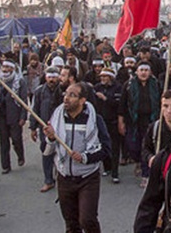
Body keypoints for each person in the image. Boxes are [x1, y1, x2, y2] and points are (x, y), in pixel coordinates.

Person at [43, 83, 109, 232]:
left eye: (72, 95)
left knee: (87, 220)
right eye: (66, 94)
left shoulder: (94, 120)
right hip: (64, 177)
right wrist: (51, 138)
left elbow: (106, 150)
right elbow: (47, 149)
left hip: (88, 178)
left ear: (82, 100)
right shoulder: (57, 119)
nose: (66, 98)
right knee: (71, 224)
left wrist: (85, 157)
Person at [119, 62, 161, 187]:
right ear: (137, 72)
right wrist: (121, 121)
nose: (143, 73)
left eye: (146, 70)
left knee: (146, 147)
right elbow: (122, 104)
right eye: (141, 70)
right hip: (133, 121)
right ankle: (137, 161)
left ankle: (146, 174)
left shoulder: (156, 85)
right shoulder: (129, 85)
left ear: (150, 72)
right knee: (133, 147)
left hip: (150, 121)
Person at [30, 65, 63, 192]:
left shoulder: (62, 91)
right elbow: (34, 110)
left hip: (60, 127)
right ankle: (48, 180)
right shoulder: (39, 91)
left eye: (54, 77)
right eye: (49, 77)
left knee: (61, 152)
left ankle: (61, 177)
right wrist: (33, 128)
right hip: (44, 128)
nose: (51, 80)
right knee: (46, 152)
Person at [0, 59, 28, 174]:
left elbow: (24, 100)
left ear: (12, 69)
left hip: (15, 115)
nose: (5, 69)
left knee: (16, 139)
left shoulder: (20, 82)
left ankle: (20, 155)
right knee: (4, 142)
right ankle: (6, 166)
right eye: (3, 67)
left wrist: (23, 117)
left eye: (7, 67)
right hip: (2, 115)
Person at [93, 68, 124, 184]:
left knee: (115, 147)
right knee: (102, 146)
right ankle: (107, 167)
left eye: (105, 77)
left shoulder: (118, 88)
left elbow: (119, 104)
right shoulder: (97, 87)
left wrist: (106, 99)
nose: (103, 79)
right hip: (101, 122)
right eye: (101, 77)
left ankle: (115, 173)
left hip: (113, 121)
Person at [142, 90, 171, 172]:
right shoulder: (154, 128)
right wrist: (151, 158)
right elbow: (145, 149)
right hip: (161, 175)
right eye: (165, 106)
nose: (169, 110)